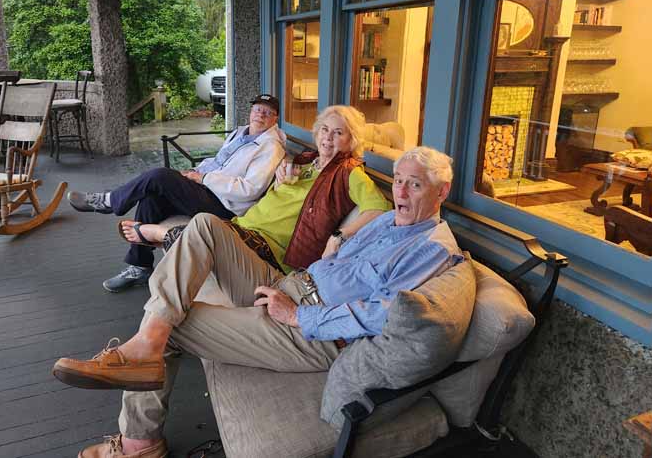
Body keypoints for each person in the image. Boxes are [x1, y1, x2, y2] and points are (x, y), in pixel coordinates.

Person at [53, 146, 462, 458]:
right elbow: (343, 260)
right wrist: (324, 257)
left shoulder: (431, 249)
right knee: (205, 226)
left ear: (442, 191)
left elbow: (379, 317)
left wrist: (299, 314)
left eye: (415, 184)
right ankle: (146, 344)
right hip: (289, 285)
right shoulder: (391, 220)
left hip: (308, 333)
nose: (401, 192)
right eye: (398, 180)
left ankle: (139, 443)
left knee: (170, 325)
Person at [118, 105, 390, 274]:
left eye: (338, 133)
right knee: (185, 214)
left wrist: (340, 235)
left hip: (271, 247)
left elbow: (380, 209)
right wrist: (282, 176)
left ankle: (162, 234)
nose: (328, 138)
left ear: (351, 139)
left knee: (204, 223)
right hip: (246, 226)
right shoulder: (307, 161)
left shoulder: (349, 172)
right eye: (324, 130)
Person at [67, 94, 286, 292]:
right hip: (205, 189)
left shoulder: (271, 147)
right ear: (250, 111)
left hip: (225, 206)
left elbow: (249, 190)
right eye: (258, 109)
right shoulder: (241, 132)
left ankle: (109, 201)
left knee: (159, 176)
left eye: (267, 112)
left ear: (275, 119)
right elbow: (218, 162)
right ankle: (140, 267)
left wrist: (203, 178)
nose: (260, 115)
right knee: (151, 196)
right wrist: (196, 171)